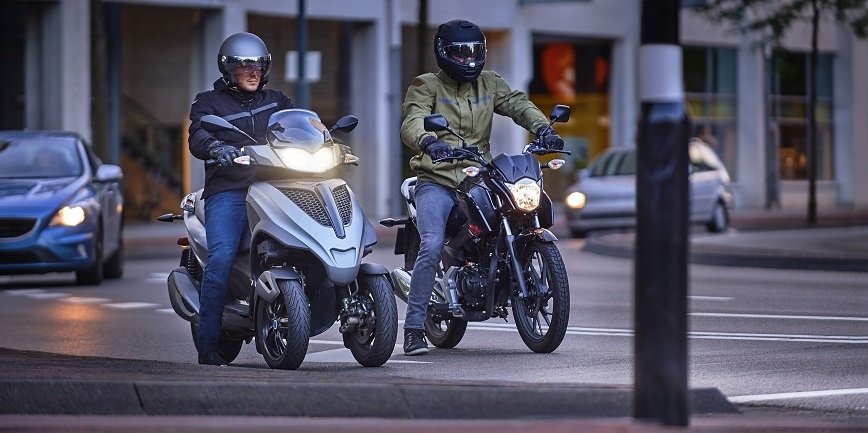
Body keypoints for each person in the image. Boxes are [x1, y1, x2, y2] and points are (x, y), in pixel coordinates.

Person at [399, 19, 564, 356]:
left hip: (478, 176)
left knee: (516, 212)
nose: (468, 59)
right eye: (460, 52)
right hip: (437, 180)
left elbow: (518, 104)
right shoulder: (426, 85)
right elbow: (412, 121)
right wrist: (428, 141)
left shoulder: (490, 82)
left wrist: (544, 129)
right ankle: (414, 328)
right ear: (444, 53)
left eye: (474, 52)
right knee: (432, 243)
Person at [187, 32, 293, 366]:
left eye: (257, 67)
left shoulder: (277, 101)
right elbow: (197, 135)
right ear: (228, 70)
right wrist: (215, 147)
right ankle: (208, 345)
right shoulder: (208, 103)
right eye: (244, 67)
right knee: (221, 257)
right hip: (230, 190)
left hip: (274, 187)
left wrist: (323, 138)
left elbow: (300, 126)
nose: (252, 73)